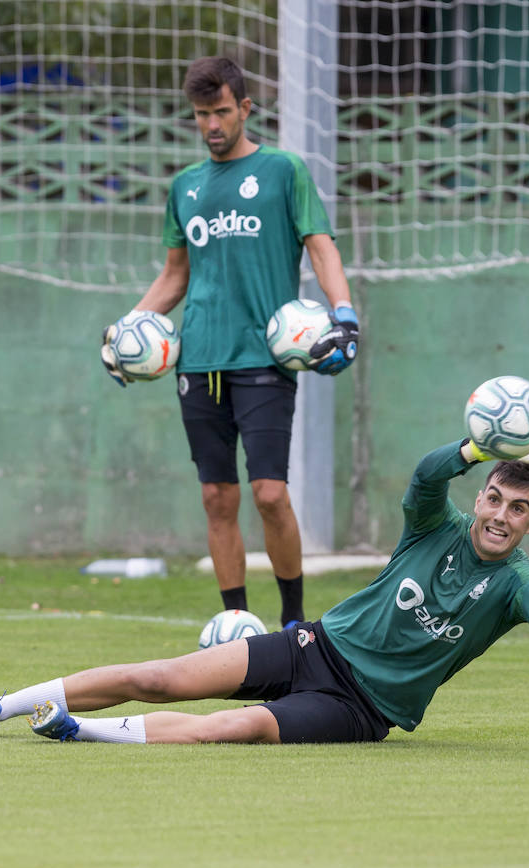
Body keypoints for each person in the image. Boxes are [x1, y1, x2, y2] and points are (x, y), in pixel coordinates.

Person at [0, 398, 529, 745]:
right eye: (494, 498)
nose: (501, 516)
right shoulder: (435, 525)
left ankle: (74, 730)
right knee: (158, 677)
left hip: (361, 709)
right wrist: (474, 447)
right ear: (479, 497)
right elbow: (428, 476)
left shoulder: (515, 583)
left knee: (238, 727)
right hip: (313, 645)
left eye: (519, 510)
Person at [99, 56, 358, 629]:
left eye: (220, 111)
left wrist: (345, 317)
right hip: (197, 361)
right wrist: (126, 331)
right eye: (201, 115)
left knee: (268, 493)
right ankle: (238, 626)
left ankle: (294, 622)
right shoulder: (185, 186)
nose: (212, 124)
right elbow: (174, 277)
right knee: (218, 498)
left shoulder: (284, 171)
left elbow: (321, 248)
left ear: (244, 108)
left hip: (265, 360)